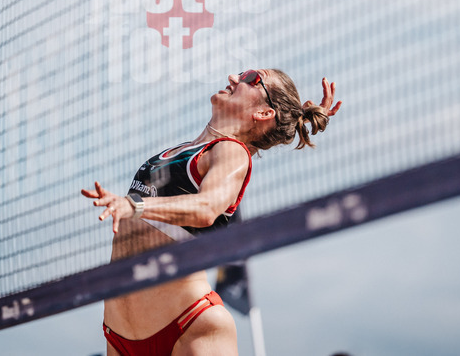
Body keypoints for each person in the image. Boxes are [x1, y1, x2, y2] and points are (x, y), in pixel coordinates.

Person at [83, 69, 341, 356]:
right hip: (121, 335)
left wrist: (135, 205)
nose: (234, 78)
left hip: (189, 327)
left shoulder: (232, 151)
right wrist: (299, 114)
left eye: (252, 78)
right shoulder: (189, 149)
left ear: (264, 113)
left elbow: (207, 208)